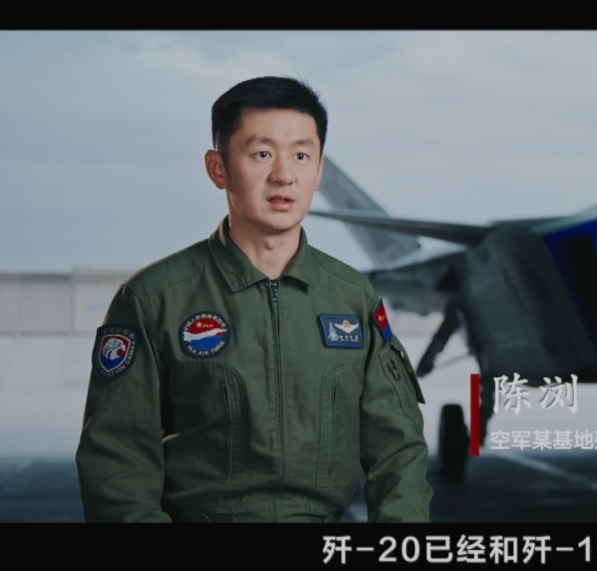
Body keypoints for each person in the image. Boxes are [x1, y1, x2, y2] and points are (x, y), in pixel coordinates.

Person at [75, 77, 432, 523]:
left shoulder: (352, 297)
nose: (284, 175)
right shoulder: (154, 299)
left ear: (319, 170)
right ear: (218, 168)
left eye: (301, 156)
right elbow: (116, 462)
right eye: (262, 154)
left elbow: (397, 448)